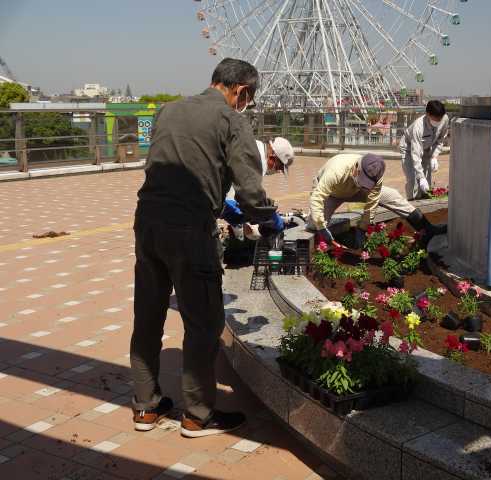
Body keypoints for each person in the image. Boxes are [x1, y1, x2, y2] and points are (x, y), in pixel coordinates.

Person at [130, 58, 284, 438]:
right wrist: (269, 218)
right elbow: (249, 191)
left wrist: (221, 206)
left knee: (148, 316)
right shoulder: (233, 121)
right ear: (242, 91)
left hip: (147, 223)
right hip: (190, 232)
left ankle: (146, 407)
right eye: (249, 98)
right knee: (204, 322)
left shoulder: (169, 110)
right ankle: (197, 415)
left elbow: (179, 165)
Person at [306, 153, 446, 249]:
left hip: (355, 191)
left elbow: (372, 202)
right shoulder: (336, 170)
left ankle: (427, 228)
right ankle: (327, 227)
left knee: (392, 195)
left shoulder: (375, 174)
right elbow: (318, 196)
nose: (363, 184)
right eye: (362, 180)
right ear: (357, 168)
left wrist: (362, 227)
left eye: (367, 183)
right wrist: (321, 226)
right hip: (333, 193)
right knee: (313, 225)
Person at [222, 137, 294, 242]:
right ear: (272, 157)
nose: (277, 171)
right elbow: (244, 198)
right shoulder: (256, 161)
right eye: (278, 167)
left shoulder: (255, 148)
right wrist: (269, 216)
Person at [399, 100, 450, 200]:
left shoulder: (444, 119)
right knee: (413, 180)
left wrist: (434, 156)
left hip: (427, 148)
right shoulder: (418, 127)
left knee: (427, 181)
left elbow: (440, 139)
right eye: (436, 118)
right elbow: (416, 154)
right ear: (427, 114)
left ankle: (424, 201)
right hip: (409, 149)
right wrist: (420, 177)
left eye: (440, 118)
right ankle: (411, 204)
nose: (438, 121)